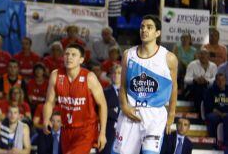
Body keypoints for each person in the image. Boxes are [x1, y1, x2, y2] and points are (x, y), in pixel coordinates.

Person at [112, 16, 177, 154]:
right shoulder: (128, 55)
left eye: (149, 27)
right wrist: (124, 106)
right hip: (131, 112)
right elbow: (122, 85)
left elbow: (174, 87)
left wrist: (171, 114)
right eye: (142, 27)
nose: (144, 30)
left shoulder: (168, 58)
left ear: (157, 33)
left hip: (155, 115)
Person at [43, 43, 108, 154]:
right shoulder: (56, 75)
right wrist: (45, 119)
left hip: (86, 129)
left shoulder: (90, 77)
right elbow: (49, 102)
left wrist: (102, 132)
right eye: (67, 54)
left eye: (74, 55)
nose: (69, 57)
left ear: (81, 60)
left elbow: (102, 105)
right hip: (66, 129)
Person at [102, 64, 122, 154]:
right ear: (110, 75)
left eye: (119, 73)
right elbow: (103, 109)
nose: (116, 75)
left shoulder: (129, 92)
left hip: (125, 128)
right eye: (114, 73)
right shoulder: (105, 92)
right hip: (109, 129)